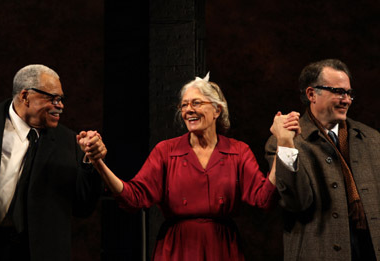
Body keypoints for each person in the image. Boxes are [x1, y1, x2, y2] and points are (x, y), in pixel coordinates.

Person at [79, 73, 300, 260]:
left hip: (222, 250)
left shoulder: (238, 151)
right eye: (184, 105)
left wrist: (284, 143)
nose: (188, 110)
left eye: (196, 103)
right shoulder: (166, 151)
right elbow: (133, 198)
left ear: (217, 110)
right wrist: (98, 162)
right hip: (177, 250)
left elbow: (264, 198)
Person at [0, 64, 106, 261]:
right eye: (53, 98)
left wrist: (91, 161)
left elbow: (83, 207)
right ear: (25, 96)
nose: (60, 105)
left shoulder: (68, 143)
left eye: (61, 99)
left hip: (37, 252)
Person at [265, 59, 380, 260]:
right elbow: (296, 202)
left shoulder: (372, 139)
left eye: (349, 93)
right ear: (311, 94)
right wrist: (285, 141)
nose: (347, 100)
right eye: (338, 92)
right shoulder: (283, 142)